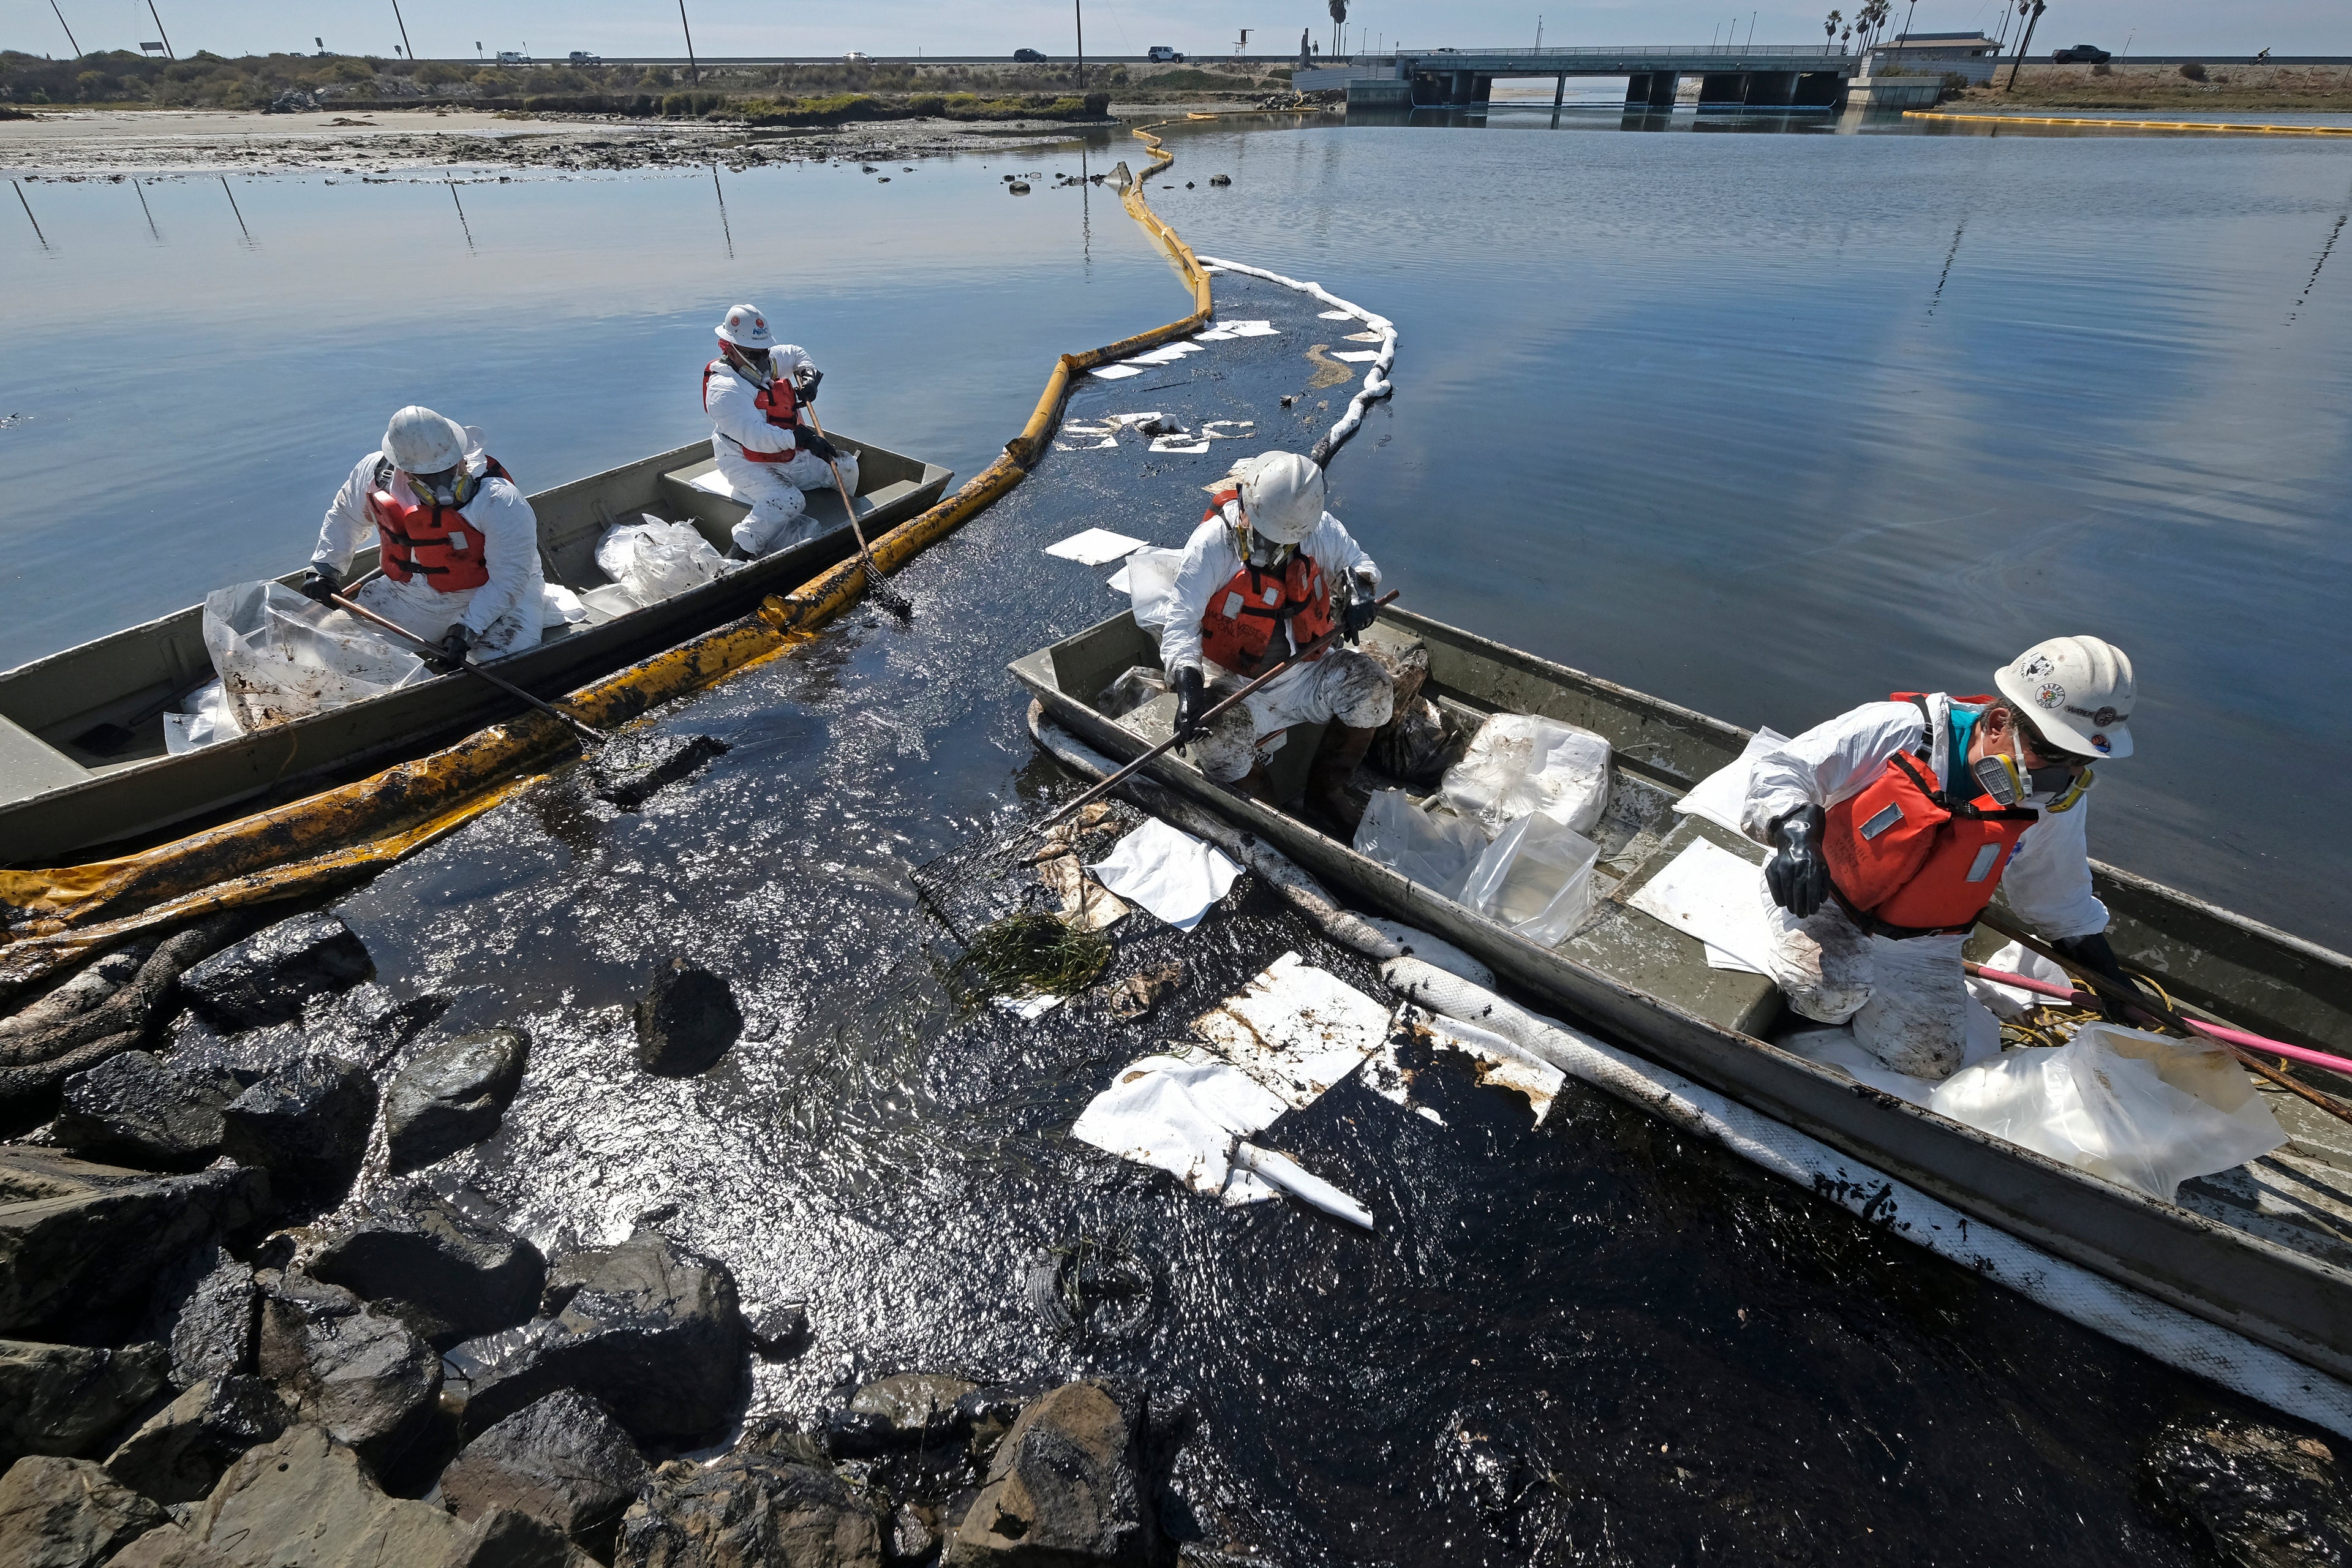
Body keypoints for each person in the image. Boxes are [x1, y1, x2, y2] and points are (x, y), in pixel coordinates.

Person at [1741, 635, 2141, 1080]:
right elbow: (1783, 769)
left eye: (2079, 764)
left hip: (1922, 943)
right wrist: (1794, 835)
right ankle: (1778, 1039)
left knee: (1929, 1061)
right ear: (1998, 723)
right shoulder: (1903, 729)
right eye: (2050, 756)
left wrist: (2114, 981)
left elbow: (2055, 897)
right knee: (1828, 994)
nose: (2059, 780)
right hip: (1823, 898)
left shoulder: (2049, 796)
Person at [1161, 450, 1392, 829]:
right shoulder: (1212, 544)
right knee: (1216, 739)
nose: (1273, 546)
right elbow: (1181, 623)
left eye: (1284, 539)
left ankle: (1325, 796)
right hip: (1236, 684)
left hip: (1308, 673)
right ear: (1246, 502)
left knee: (1373, 687)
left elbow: (1358, 563)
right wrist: (1188, 688)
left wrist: (1359, 591)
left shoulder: (1317, 527)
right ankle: (1275, 822)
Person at [300, 406, 545, 668]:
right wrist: (326, 569)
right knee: (335, 646)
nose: (439, 482)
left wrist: (467, 629)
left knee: (495, 661)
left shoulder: (499, 500)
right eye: (426, 474)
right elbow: (345, 516)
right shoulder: (374, 475)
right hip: (412, 594)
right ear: (403, 467)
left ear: (460, 455)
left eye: (448, 468)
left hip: (501, 597)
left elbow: (509, 579)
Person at [701, 303, 855, 560]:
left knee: (847, 467)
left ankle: (850, 524)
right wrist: (799, 438)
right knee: (789, 500)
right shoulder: (724, 390)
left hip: (788, 454)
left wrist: (807, 376)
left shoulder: (767, 361)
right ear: (729, 348)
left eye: (764, 352)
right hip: (745, 462)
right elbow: (756, 438)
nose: (762, 360)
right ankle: (739, 554)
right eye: (753, 354)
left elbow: (795, 354)